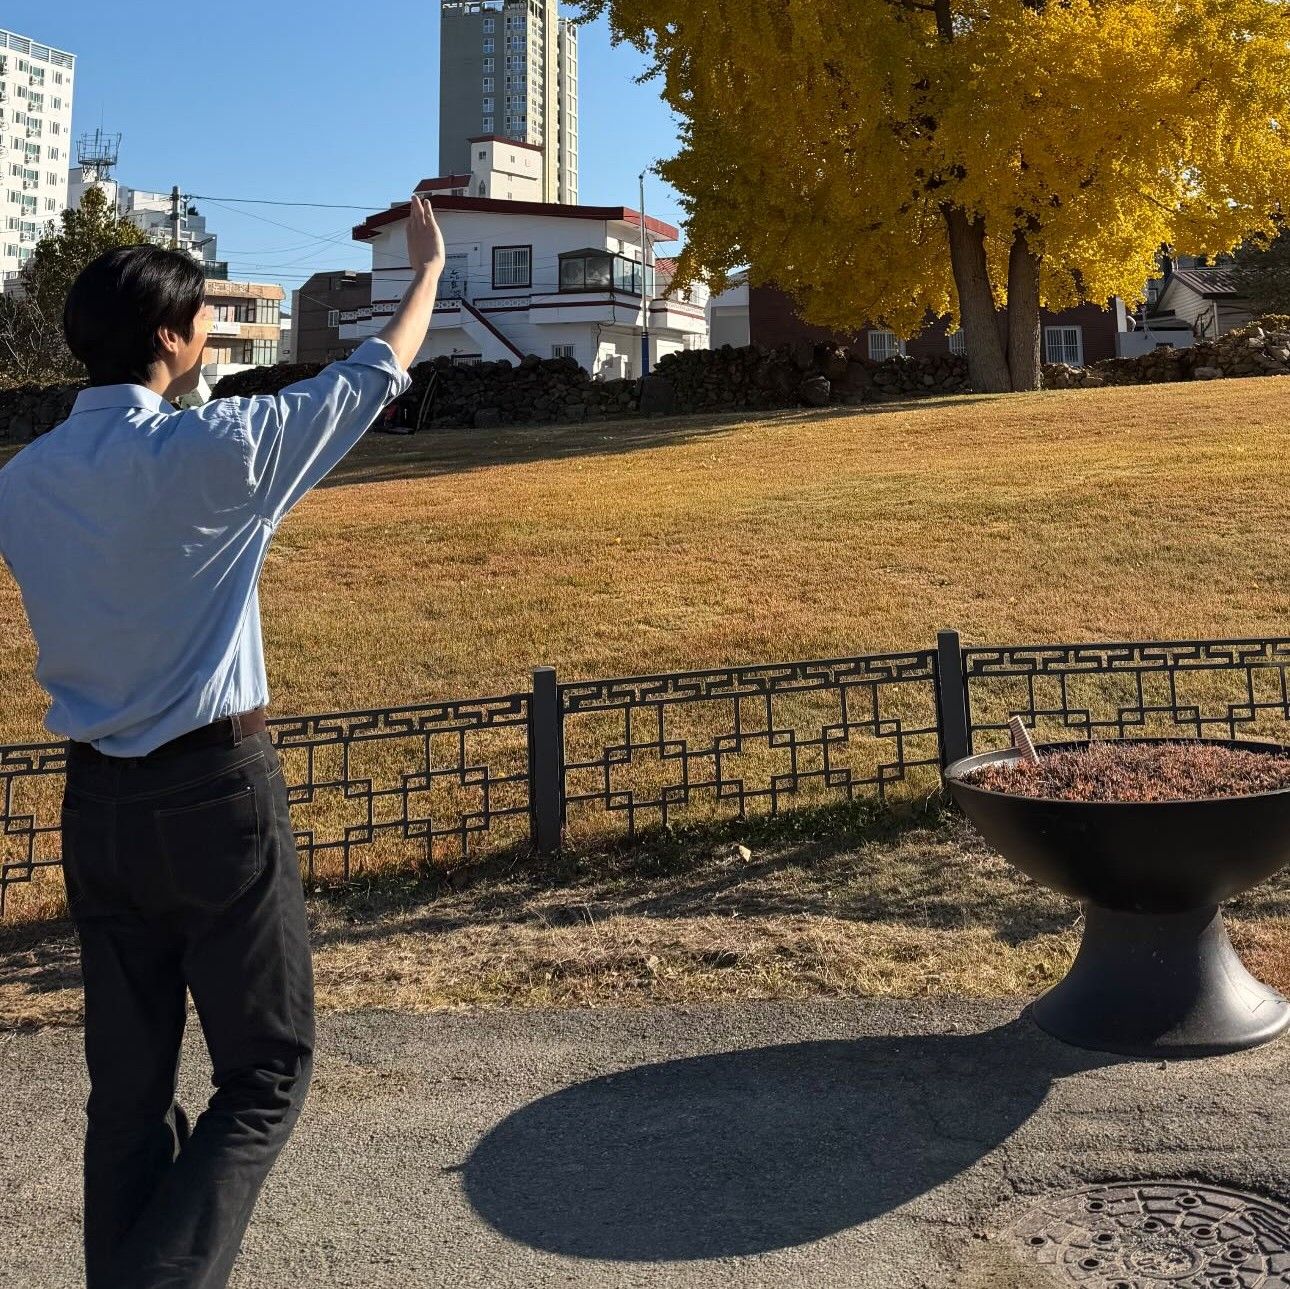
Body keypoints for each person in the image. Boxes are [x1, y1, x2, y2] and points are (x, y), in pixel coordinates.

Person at [0, 195, 445, 1288]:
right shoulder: (223, 449)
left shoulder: (22, 481)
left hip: (96, 806)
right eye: (201, 313)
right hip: (214, 793)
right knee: (266, 1069)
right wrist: (426, 272)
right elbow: (371, 375)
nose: (209, 328)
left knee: (128, 1096)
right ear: (168, 334)